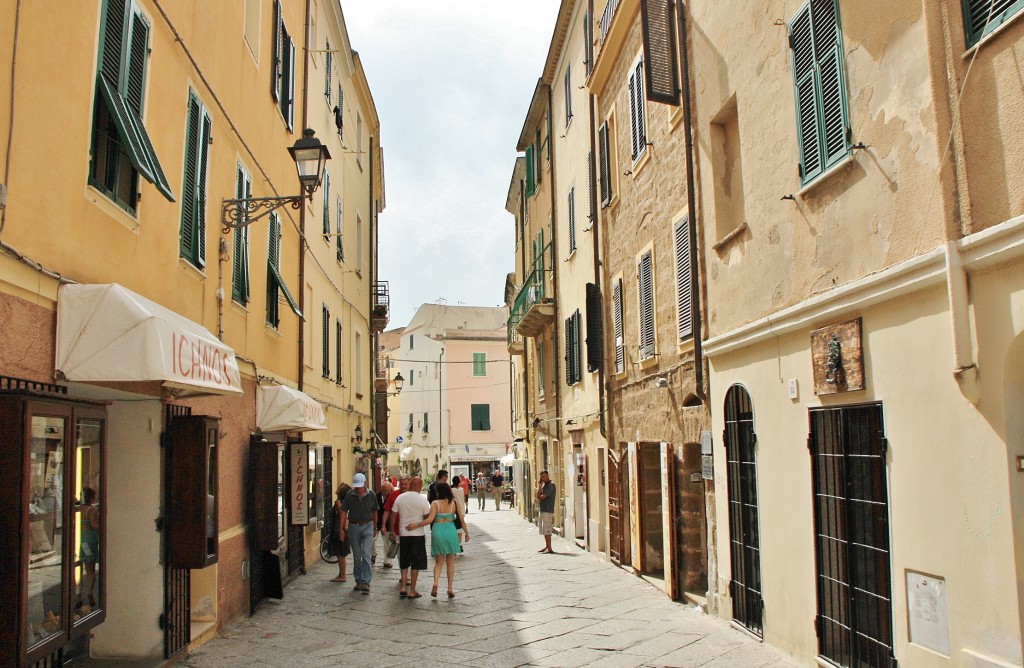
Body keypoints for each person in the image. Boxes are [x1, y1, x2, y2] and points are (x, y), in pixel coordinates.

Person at [407, 482, 468, 598]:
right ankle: (450, 588)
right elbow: (461, 519)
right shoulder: (454, 503)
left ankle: (435, 583)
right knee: (450, 561)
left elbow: (429, 520)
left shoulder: (435, 503)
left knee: (439, 562)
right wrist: (467, 533)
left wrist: (416, 525)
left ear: (438, 492)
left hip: (438, 531)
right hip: (450, 530)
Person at [392, 476, 430, 599]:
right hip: (417, 534)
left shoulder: (400, 497)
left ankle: (403, 586)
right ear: (419, 486)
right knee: (416, 563)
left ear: (410, 484)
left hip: (403, 534)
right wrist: (417, 523)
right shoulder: (422, 500)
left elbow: (393, 515)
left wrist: (393, 530)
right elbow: (427, 517)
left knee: (404, 560)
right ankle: (412, 590)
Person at [340, 473, 378, 594]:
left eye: (360, 486)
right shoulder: (350, 495)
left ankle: (366, 581)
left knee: (366, 553)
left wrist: (375, 526)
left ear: (365, 484)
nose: (358, 489)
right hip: (354, 526)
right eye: (356, 486)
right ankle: (359, 580)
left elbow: (375, 511)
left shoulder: (371, 494)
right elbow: (344, 511)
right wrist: (341, 528)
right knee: (357, 555)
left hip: (367, 525)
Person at [78, 487, 100, 608]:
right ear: (91, 498)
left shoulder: (78, 509)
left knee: (78, 567)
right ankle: (89, 592)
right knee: (90, 570)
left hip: (79, 539)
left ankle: (78, 595)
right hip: (89, 540)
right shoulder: (91, 510)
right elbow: (95, 525)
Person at [382, 476, 408, 572]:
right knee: (400, 554)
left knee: (408, 553)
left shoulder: (413, 495)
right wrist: (384, 525)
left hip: (410, 529)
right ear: (399, 484)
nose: (404, 486)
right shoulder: (393, 495)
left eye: (406, 484)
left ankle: (407, 574)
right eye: (402, 484)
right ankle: (404, 574)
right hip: (396, 529)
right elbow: (387, 511)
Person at [329, 483, 352, 582]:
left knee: (340, 554)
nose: (337, 488)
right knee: (340, 554)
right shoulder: (345, 502)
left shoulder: (339, 502)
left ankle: (342, 575)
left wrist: (341, 530)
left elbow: (342, 515)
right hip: (339, 528)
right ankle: (341, 574)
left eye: (340, 487)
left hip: (338, 529)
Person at [374, 481, 393, 567]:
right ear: (381, 489)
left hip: (387, 523)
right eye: (385, 490)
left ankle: (387, 561)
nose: (386, 492)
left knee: (387, 543)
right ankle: (373, 554)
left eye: (388, 490)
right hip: (375, 522)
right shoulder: (375, 496)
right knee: (371, 540)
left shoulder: (392, 497)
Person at [537, 470, 556, 554]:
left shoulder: (551, 486)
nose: (543, 478)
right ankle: (547, 546)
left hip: (548, 510)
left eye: (544, 476)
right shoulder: (544, 486)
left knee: (547, 529)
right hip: (543, 509)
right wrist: (540, 486)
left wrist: (540, 491)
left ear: (548, 475)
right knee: (545, 529)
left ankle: (550, 547)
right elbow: (538, 496)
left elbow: (542, 497)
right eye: (541, 477)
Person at [450, 475, 468, 552]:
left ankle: (455, 543)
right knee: (460, 526)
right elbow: (463, 498)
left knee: (455, 527)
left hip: (455, 510)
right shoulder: (462, 489)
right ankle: (459, 543)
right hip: (462, 509)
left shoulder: (451, 490)